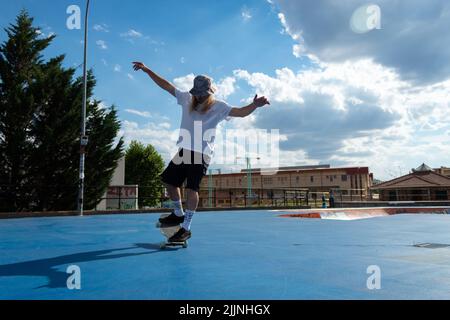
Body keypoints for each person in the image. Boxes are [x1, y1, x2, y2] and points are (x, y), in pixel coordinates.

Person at [132, 62, 270, 242]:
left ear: (210, 93)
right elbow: (166, 85)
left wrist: (254, 105)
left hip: (202, 153)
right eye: (197, 95)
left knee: (191, 189)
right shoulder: (186, 99)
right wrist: (147, 69)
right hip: (184, 150)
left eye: (202, 95)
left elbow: (241, 112)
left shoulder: (219, 107)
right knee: (168, 181)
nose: (199, 98)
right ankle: (178, 213)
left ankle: (186, 227)